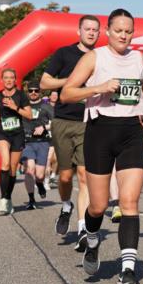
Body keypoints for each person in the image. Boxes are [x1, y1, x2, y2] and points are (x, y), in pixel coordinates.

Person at [61, 8, 143, 284]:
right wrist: (99, 87)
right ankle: (91, 237)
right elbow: (67, 93)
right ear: (108, 32)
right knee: (98, 206)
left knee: (129, 202)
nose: (124, 35)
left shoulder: (138, 58)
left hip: (131, 132)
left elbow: (138, 88)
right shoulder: (94, 57)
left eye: (128, 31)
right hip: (100, 131)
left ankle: (127, 272)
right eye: (119, 30)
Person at [41, 16, 100, 237]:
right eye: (87, 29)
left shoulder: (101, 57)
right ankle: (66, 206)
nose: (91, 33)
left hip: (88, 121)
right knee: (65, 176)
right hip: (64, 120)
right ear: (79, 31)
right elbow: (45, 82)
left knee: (84, 175)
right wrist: (71, 82)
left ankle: (83, 228)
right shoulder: (64, 54)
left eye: (95, 30)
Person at [0, 69, 31, 215]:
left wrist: (15, 107)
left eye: (11, 77)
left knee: (12, 168)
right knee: (5, 163)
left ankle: (8, 198)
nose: (9, 80)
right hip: (2, 133)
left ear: (15, 79)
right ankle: (3, 198)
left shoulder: (21, 96)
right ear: (2, 80)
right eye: (6, 78)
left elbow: (29, 115)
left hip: (18, 134)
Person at [21, 84, 54, 210]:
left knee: (40, 175)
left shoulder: (46, 107)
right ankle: (31, 200)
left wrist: (44, 127)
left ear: (40, 92)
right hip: (27, 142)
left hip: (42, 142)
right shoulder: (22, 106)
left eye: (36, 90)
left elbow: (56, 122)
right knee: (29, 170)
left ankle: (40, 184)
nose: (33, 92)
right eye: (31, 90)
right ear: (27, 92)